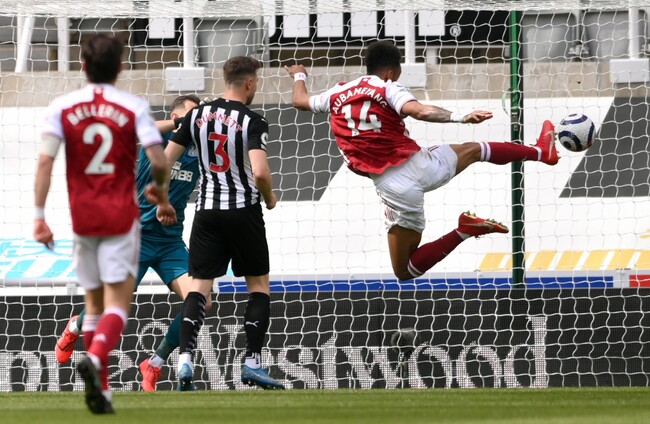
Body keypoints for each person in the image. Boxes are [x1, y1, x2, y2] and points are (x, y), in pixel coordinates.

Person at [284, 40, 558, 281]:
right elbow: (419, 110)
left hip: (394, 187)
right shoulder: (388, 88)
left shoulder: (336, 93)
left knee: (404, 270)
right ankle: (539, 152)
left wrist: (299, 75)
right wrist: (460, 117)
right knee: (474, 150)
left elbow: (300, 101)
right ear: (391, 72)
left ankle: (464, 231)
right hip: (421, 164)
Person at [34, 34, 174, 413]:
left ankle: (104, 392)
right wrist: (161, 193)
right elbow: (159, 160)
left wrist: (39, 217)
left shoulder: (62, 106)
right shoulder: (133, 106)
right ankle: (96, 358)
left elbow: (45, 161)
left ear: (82, 66)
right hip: (121, 218)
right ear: (120, 68)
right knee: (117, 306)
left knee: (92, 306)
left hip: (83, 219)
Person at [53, 95, 206, 392]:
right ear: (176, 116)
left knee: (201, 300)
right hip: (136, 238)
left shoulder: (200, 151)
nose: (195, 121)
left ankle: (155, 363)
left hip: (171, 243)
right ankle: (73, 327)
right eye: (190, 115)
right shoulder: (158, 139)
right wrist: (178, 124)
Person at [160, 55, 284, 391]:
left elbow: (165, 160)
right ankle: (252, 363)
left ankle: (185, 360)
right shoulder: (253, 121)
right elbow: (260, 172)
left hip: (207, 212)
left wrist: (162, 198)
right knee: (258, 286)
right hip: (244, 211)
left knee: (199, 287)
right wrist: (270, 198)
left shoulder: (196, 116)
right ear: (249, 83)